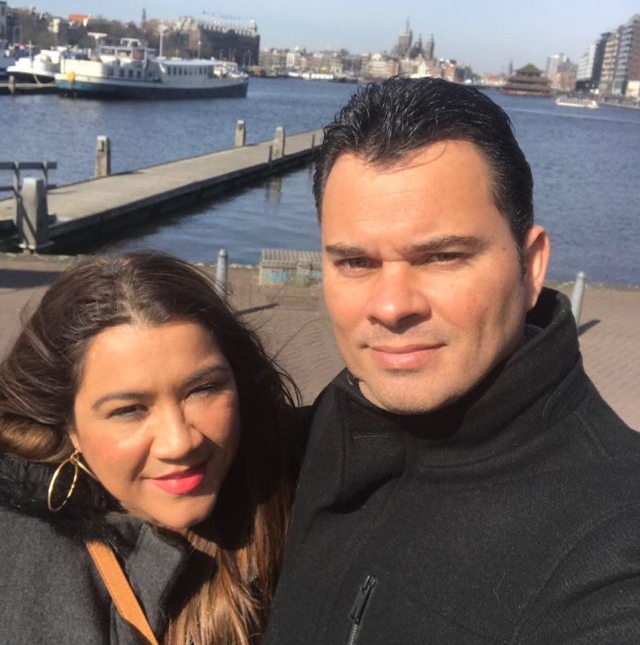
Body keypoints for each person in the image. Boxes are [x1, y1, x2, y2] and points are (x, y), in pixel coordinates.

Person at [263, 77, 640, 644]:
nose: (392, 307)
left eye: (442, 256)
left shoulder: (614, 541)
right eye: (357, 263)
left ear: (531, 267)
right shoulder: (332, 425)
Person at [0, 251, 300, 645]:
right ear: (68, 425)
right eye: (129, 410)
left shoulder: (300, 491)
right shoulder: (21, 564)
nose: (179, 442)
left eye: (203, 389)